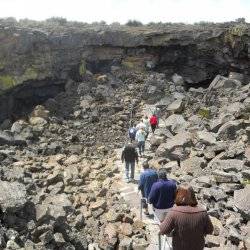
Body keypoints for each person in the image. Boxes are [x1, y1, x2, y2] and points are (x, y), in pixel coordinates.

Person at [159, 183, 214, 250]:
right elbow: (210, 230)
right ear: (193, 195)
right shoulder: (202, 212)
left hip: (180, 247)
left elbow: (163, 230)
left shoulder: (174, 212)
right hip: (198, 246)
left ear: (178, 195)